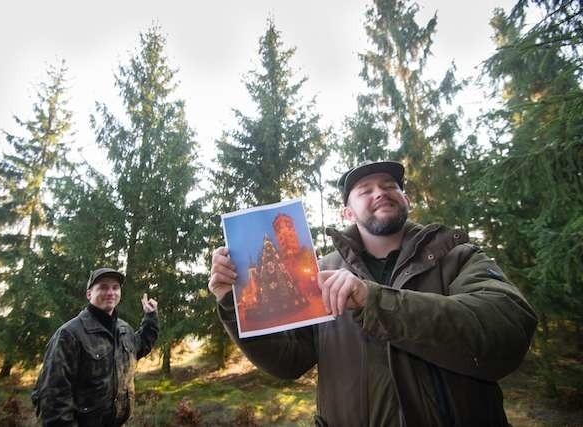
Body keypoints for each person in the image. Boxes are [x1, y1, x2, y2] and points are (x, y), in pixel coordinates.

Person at [208, 160, 537, 426]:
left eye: (390, 186)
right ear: (347, 213)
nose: (380, 193)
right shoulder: (318, 274)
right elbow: (288, 362)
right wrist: (231, 302)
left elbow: (508, 326)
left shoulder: (456, 256)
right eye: (365, 190)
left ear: (406, 200)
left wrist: (373, 300)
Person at [32, 267, 159, 427]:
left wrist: (150, 318)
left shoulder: (123, 330)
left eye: (115, 287)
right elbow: (52, 396)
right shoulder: (69, 334)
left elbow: (140, 346)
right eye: (103, 287)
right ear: (89, 294)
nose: (111, 292)